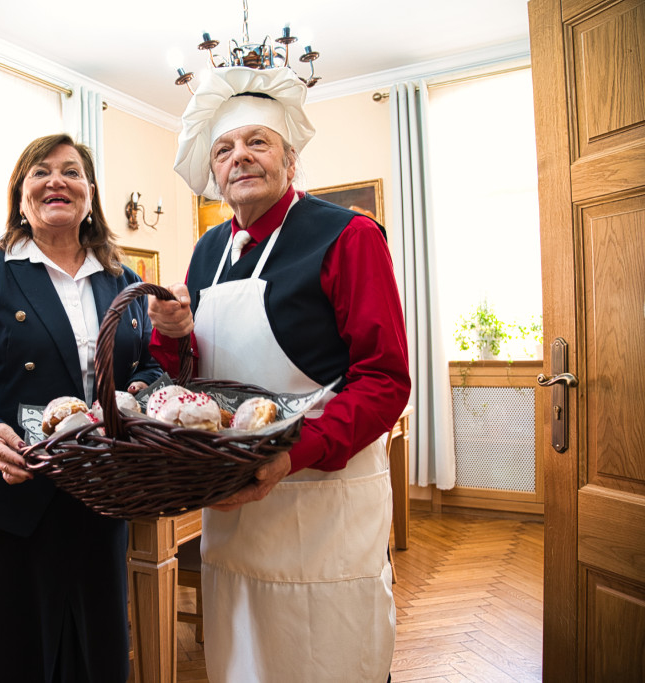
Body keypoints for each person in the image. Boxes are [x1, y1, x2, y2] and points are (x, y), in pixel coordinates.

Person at [148, 66, 410, 682]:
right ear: (214, 174)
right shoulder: (208, 251)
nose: (239, 157)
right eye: (223, 149)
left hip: (324, 498)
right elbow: (196, 381)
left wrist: (292, 455)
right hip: (234, 503)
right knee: (244, 659)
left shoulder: (348, 236)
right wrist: (174, 335)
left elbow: (385, 379)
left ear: (290, 160)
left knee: (328, 657)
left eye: (257, 142)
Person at [0, 133, 162, 683]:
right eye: (41, 171)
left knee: (94, 663)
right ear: (20, 194)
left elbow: (147, 367)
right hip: (6, 501)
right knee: (11, 662)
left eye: (72, 172)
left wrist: (137, 395)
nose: (58, 181)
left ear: (90, 193)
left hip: (97, 498)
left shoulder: (122, 281)